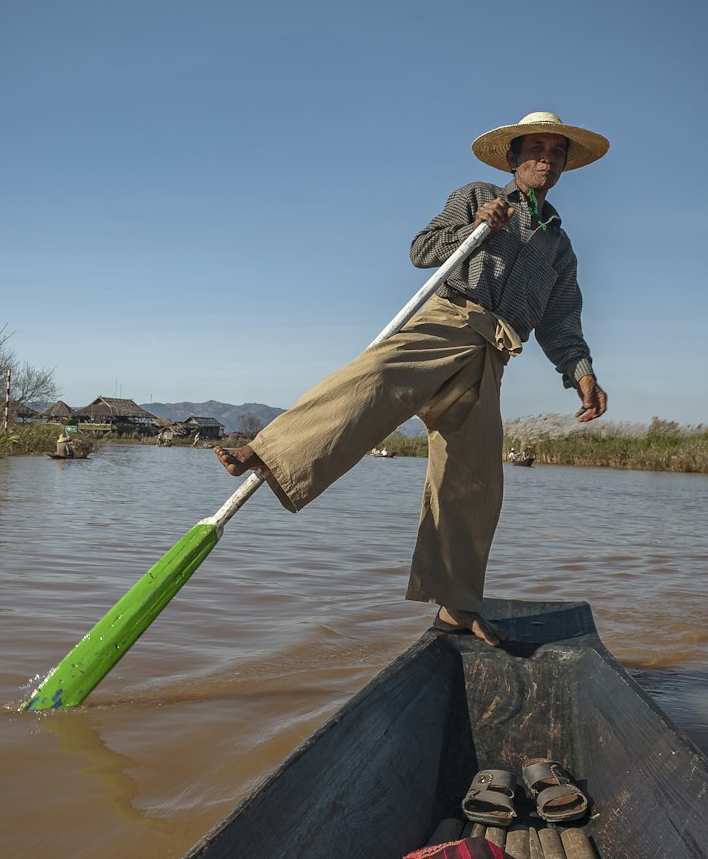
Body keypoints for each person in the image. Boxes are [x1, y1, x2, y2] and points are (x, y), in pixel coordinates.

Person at [216, 110, 609, 646]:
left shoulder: (558, 245)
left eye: (556, 151)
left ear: (564, 165)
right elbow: (421, 250)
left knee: (474, 480)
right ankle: (269, 449)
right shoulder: (475, 196)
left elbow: (562, 320)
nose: (545, 157)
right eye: (534, 148)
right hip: (448, 321)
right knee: (375, 378)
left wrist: (581, 372)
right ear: (514, 159)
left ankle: (458, 605)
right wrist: (474, 228)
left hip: (493, 353)